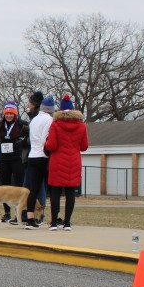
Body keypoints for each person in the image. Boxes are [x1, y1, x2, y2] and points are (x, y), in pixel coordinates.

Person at [44, 94, 88, 231]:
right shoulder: (82, 126)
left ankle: (53, 223)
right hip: (74, 161)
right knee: (70, 193)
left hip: (57, 162)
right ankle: (67, 223)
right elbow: (84, 146)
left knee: (55, 192)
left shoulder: (55, 125)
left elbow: (51, 146)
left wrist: (46, 143)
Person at [0, 101, 28, 222]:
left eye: (11, 113)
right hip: (3, 158)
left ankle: (19, 213)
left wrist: (20, 143)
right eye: (7, 113)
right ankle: (7, 212)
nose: (9, 116)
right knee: (4, 185)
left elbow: (27, 137)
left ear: (15, 114)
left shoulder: (21, 124)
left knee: (18, 185)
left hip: (17, 158)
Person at [24, 94, 55, 229]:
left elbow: (32, 139)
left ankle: (30, 219)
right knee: (52, 189)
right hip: (44, 157)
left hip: (32, 156)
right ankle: (54, 219)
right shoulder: (49, 120)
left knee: (33, 189)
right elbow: (44, 140)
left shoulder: (34, 120)